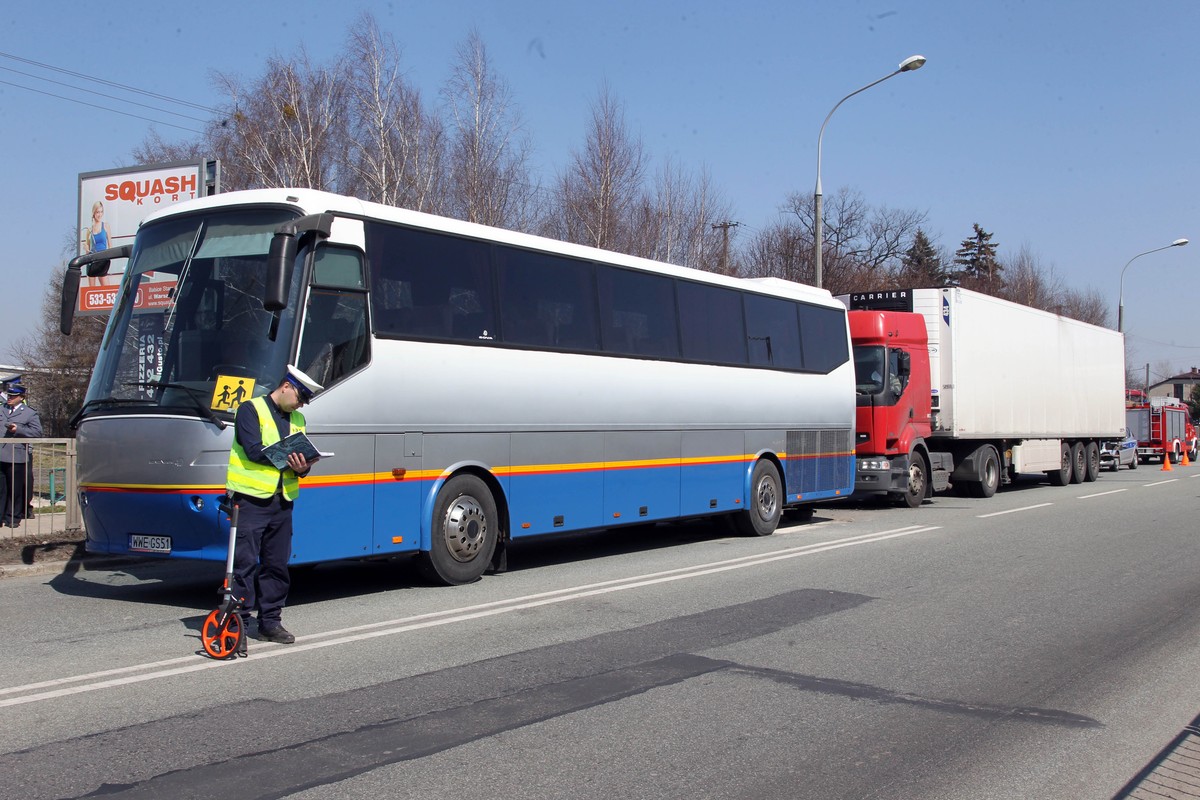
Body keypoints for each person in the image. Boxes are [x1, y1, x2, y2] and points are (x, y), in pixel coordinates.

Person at [225, 364, 323, 652]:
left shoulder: (299, 418)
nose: (302, 404)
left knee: (277, 565)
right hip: (251, 499)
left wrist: (303, 467)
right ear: (286, 387)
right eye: (301, 397)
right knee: (243, 565)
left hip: (283, 501)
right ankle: (238, 624)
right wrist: (290, 458)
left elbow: (299, 464)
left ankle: (270, 622)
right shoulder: (250, 410)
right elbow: (253, 450)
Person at [0, 380, 43, 528]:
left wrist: (18, 429)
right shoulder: (2, 409)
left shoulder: (29, 413)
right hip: (0, 454)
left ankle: (13, 517)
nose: (10, 398)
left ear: (21, 397)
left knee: (15, 489)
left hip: (16, 456)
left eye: (13, 396)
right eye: (9, 395)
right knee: (1, 488)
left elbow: (37, 433)